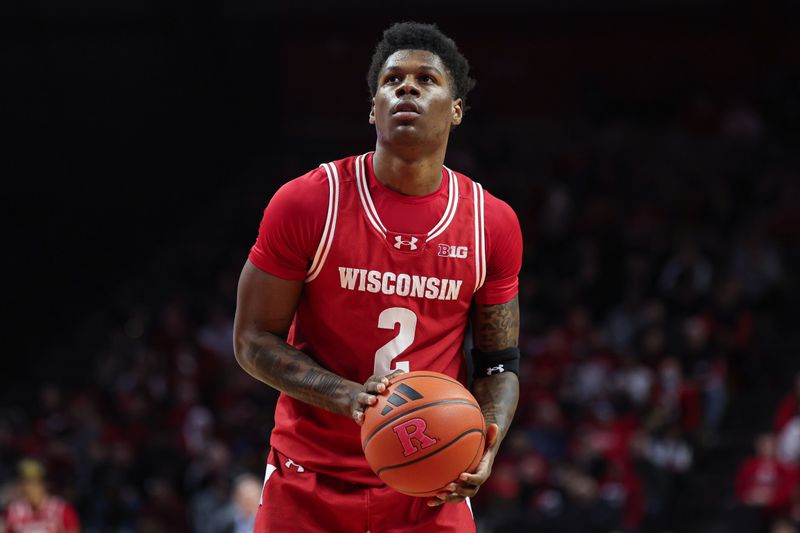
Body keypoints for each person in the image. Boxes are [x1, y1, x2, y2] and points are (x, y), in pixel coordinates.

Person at [234, 21, 522, 532]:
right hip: (309, 480)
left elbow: (499, 366)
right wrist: (348, 397)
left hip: (430, 483)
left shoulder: (490, 223)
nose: (406, 87)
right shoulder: (309, 201)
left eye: (426, 80)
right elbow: (253, 340)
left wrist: (487, 439)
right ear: (373, 109)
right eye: (392, 81)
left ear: (457, 111)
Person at [2, 459, 81, 533]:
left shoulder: (61, 509)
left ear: (44, 484)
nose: (31, 489)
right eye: (26, 483)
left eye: (35, 483)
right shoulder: (13, 512)